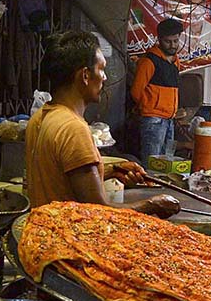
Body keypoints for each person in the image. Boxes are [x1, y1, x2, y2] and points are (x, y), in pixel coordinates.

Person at [26, 31, 179, 217]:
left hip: (43, 229)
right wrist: (151, 204)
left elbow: (61, 177)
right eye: (101, 69)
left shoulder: (41, 116)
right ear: (85, 75)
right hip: (67, 238)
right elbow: (99, 211)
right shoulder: (73, 129)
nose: (105, 78)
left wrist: (114, 170)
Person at [131, 18, 182, 168]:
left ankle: (164, 191)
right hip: (153, 120)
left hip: (169, 119)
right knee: (152, 162)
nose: (172, 45)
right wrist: (150, 107)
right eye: (168, 41)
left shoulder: (175, 61)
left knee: (166, 163)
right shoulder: (148, 61)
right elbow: (136, 91)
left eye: (175, 41)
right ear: (159, 40)